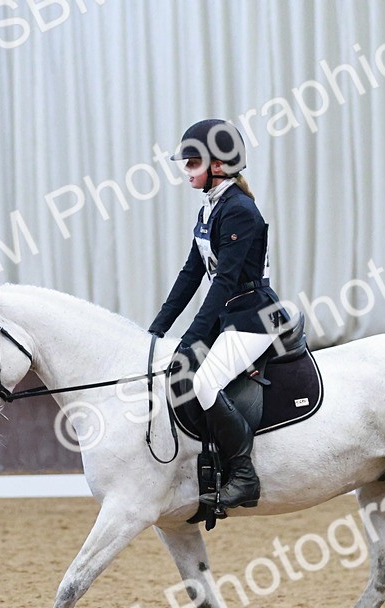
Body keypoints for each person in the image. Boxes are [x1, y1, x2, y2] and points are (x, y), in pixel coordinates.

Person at [148, 119, 291, 510]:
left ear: (218, 166)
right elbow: (191, 274)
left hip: (254, 315)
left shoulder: (240, 210)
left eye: (193, 162)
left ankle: (243, 474)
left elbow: (224, 283)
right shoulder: (210, 209)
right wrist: (157, 330)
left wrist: (193, 336)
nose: (186, 170)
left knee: (205, 383)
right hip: (230, 315)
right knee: (176, 370)